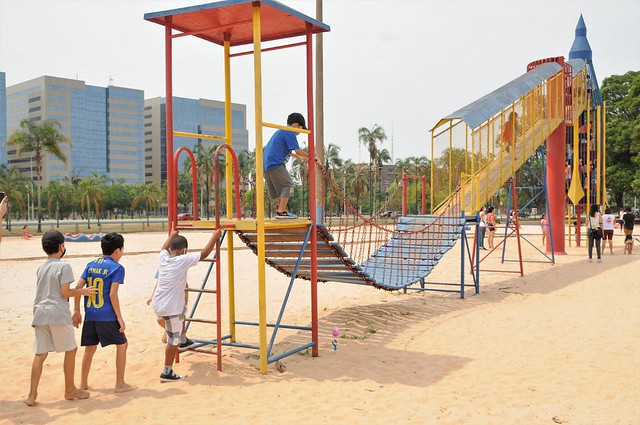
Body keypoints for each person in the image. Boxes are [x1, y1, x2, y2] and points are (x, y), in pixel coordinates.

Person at [26, 230, 98, 406]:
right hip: (57, 313)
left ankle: (32, 395)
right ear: (61, 247)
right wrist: (84, 291)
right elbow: (64, 292)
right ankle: (70, 389)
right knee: (71, 350)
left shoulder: (41, 267)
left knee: (40, 354)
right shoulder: (63, 266)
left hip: (40, 313)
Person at [153, 226, 222, 382]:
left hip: (159, 304)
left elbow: (164, 247)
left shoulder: (163, 257)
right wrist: (215, 236)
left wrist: (171, 235)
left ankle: (183, 339)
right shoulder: (182, 260)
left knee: (183, 309)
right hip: (169, 308)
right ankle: (167, 372)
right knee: (172, 340)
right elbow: (204, 254)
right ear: (184, 250)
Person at [72, 233, 136, 393]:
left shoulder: (91, 264)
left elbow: (78, 289)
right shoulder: (117, 268)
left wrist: (76, 310)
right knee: (122, 345)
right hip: (107, 315)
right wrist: (120, 318)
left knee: (90, 348)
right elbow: (112, 294)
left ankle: (83, 384)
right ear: (117, 251)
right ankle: (120, 384)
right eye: (122, 249)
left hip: (90, 315)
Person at [263, 112, 311, 219]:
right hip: (275, 163)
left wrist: (301, 158)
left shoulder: (281, 131)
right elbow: (297, 150)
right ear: (295, 125)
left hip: (266, 165)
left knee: (280, 190)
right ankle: (281, 212)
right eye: (300, 129)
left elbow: (290, 151)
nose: (299, 132)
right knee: (288, 186)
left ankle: (282, 211)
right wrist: (312, 157)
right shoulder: (289, 132)